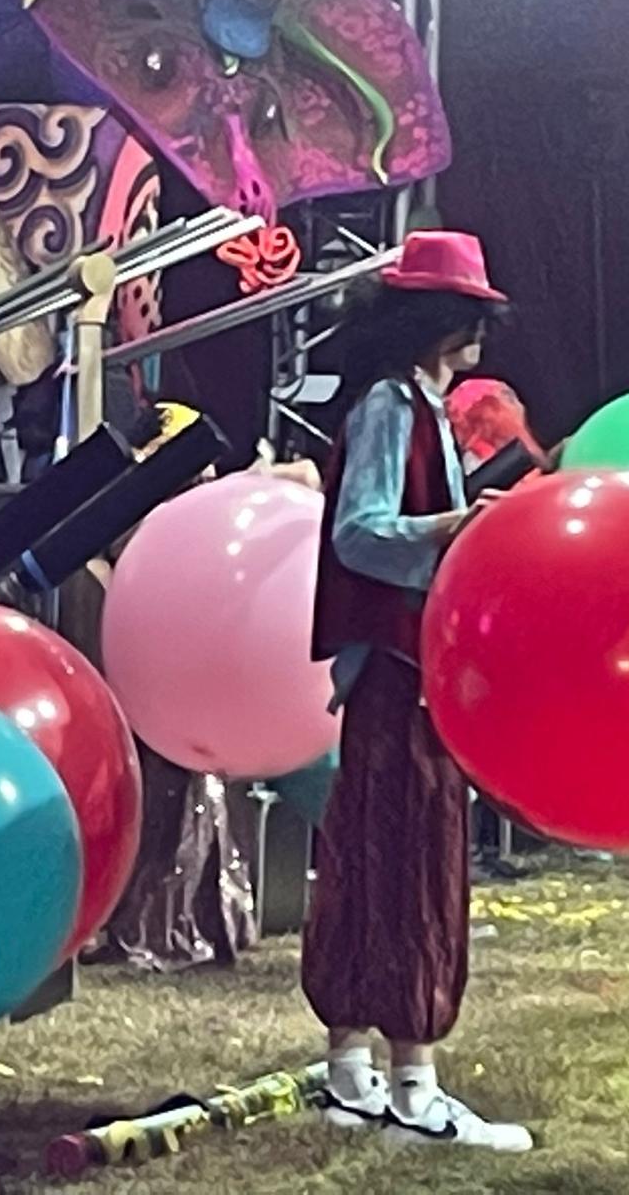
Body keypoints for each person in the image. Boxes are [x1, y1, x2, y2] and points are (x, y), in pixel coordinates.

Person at [304, 230, 532, 1151]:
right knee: (410, 860)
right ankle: (413, 1091)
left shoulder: (417, 404)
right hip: (401, 675)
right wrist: (452, 528)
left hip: (402, 672)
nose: (480, 332)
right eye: (470, 314)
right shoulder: (392, 406)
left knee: (371, 856)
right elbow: (360, 533)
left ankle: (351, 1074)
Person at [64, 402, 321, 969]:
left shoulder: (202, 514)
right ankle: (149, 920)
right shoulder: (128, 523)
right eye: (189, 472)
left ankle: (196, 919)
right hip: (142, 687)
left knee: (192, 797)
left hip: (192, 686)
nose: (203, 482)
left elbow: (304, 477)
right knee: (159, 801)